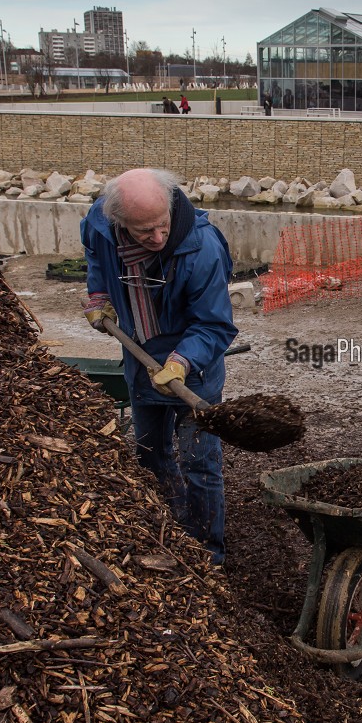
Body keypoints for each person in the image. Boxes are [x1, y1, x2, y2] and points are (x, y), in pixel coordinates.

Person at [81, 169, 237, 564]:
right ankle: (170, 530)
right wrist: (98, 294)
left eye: (162, 225)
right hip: (140, 357)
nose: (157, 238)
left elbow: (215, 323)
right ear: (118, 222)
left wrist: (183, 360)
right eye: (143, 231)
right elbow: (96, 257)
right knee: (149, 453)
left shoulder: (201, 248)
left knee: (200, 461)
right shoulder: (100, 226)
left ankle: (207, 554)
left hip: (193, 369)